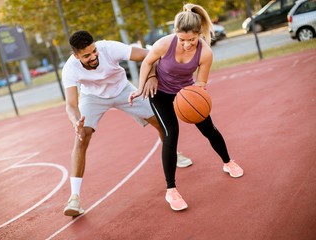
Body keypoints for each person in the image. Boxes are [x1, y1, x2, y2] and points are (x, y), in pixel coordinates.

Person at [62, 30, 192, 217]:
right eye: (86, 55)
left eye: (93, 51)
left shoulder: (109, 48)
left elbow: (150, 55)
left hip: (123, 90)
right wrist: (76, 122)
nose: (93, 57)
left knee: (160, 122)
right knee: (81, 137)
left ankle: (174, 154)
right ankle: (74, 197)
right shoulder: (70, 68)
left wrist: (152, 77)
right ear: (75, 56)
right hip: (92, 98)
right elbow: (71, 104)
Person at [129, 3, 244, 211]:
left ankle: (228, 162)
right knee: (171, 134)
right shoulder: (164, 44)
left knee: (210, 129)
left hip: (186, 94)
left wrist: (195, 97)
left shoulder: (205, 53)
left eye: (192, 39)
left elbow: (200, 83)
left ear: (199, 34)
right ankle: (171, 190)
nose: (187, 44)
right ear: (176, 34)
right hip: (160, 94)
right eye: (182, 40)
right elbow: (147, 62)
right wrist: (140, 87)